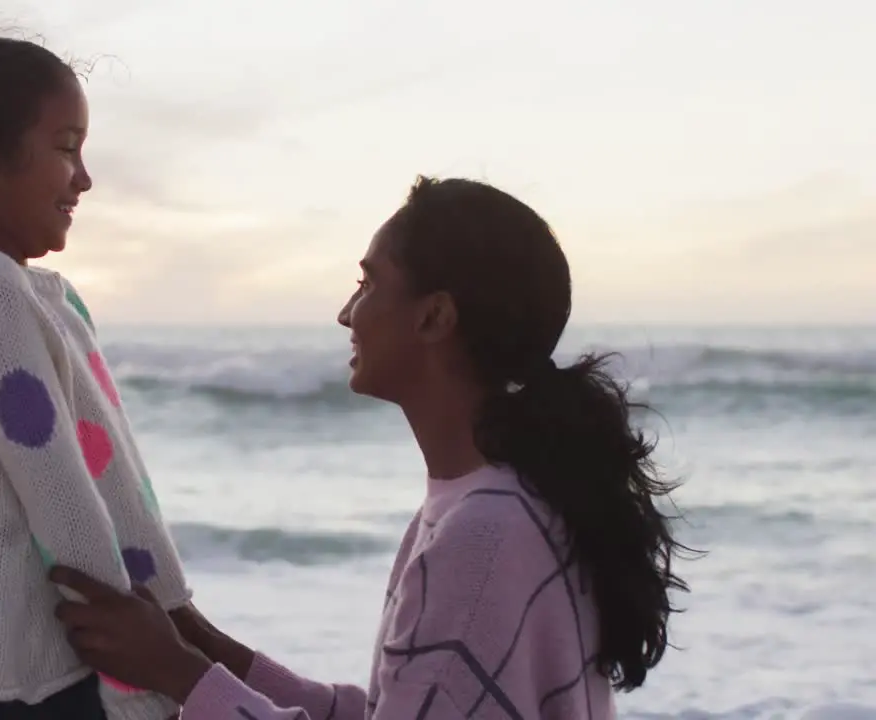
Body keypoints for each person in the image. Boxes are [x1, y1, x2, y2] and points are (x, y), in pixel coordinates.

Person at [48, 176, 689, 718]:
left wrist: (179, 675)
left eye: (368, 283)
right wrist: (208, 648)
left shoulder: (484, 533)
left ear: (434, 317)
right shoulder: (494, 500)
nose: (347, 312)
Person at [0, 33, 191, 720]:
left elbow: (105, 480)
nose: (83, 178)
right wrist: (148, 693)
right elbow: (66, 504)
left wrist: (182, 624)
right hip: (49, 680)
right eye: (65, 147)